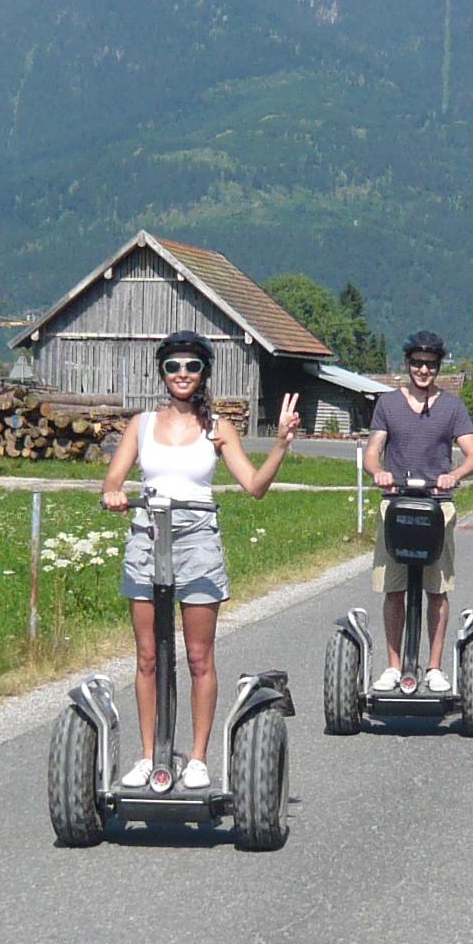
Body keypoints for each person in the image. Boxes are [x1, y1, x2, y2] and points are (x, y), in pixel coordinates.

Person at [102, 329, 300, 789]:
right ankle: (149, 755)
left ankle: (196, 758)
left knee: (198, 657)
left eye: (192, 366)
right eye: (174, 366)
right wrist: (115, 492)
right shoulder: (142, 424)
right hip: (147, 537)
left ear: (204, 373)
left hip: (197, 540)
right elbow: (114, 476)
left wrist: (282, 444)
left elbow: (254, 486)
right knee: (147, 656)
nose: (182, 374)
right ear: (163, 373)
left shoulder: (218, 428)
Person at [364, 330, 473, 692]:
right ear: (407, 364)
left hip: (437, 505)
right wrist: (378, 472)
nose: (423, 370)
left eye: (430, 365)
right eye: (417, 363)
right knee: (393, 589)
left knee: (437, 588)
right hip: (396, 502)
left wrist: (454, 475)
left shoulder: (451, 407)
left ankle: (433, 668)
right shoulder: (388, 404)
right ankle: (393, 667)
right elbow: (373, 451)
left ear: (438, 367)